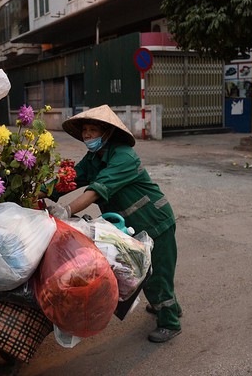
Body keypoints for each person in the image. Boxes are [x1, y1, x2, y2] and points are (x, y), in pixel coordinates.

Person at [46, 105, 183, 343]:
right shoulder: (94, 158)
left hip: (155, 222)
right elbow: (70, 180)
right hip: (131, 226)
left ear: (107, 132)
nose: (87, 134)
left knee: (154, 276)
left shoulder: (124, 157)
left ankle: (170, 322)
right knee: (148, 271)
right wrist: (38, 191)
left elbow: (96, 191)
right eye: (85, 130)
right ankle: (168, 306)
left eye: (93, 129)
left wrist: (65, 211)